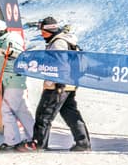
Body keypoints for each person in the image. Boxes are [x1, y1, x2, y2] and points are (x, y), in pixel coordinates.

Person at [31, 17, 91, 151]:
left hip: (57, 85)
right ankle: (83, 143)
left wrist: (58, 83)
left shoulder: (58, 43)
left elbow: (61, 64)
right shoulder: (66, 40)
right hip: (69, 84)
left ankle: (38, 144)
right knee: (71, 114)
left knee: (44, 115)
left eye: (43, 32)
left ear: (50, 30)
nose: (41, 34)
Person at [0, 19, 36, 151]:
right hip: (14, 80)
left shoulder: (10, 41)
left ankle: (12, 141)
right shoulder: (5, 41)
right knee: (23, 111)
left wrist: (10, 56)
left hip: (14, 81)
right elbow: (4, 63)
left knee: (7, 111)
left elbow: (16, 59)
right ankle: (37, 137)